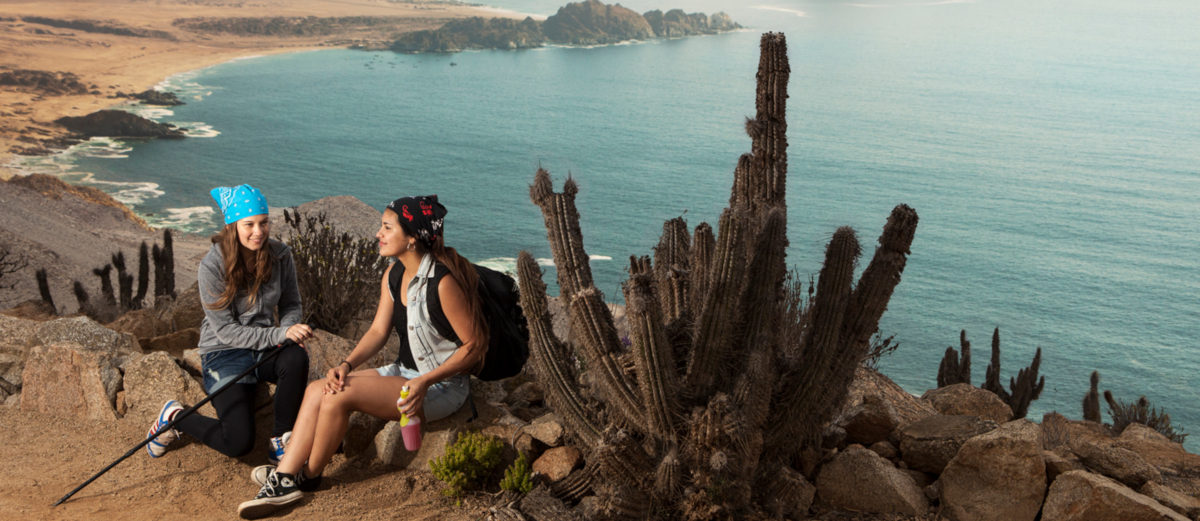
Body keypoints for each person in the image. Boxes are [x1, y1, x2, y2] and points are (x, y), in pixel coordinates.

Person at [236, 195, 488, 519]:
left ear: (412, 237)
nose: (378, 234)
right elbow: (377, 332)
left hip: (442, 386)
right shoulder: (393, 275)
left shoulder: (442, 283)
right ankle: (287, 473)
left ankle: (303, 479)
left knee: (340, 398)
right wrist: (345, 364)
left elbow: (475, 345)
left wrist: (426, 381)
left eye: (386, 227)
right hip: (406, 372)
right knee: (318, 389)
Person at [146, 184, 313, 465]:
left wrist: (289, 330)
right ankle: (175, 417)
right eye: (249, 224)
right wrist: (281, 332)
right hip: (224, 353)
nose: (258, 231)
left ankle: (280, 440)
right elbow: (225, 330)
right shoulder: (211, 266)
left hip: (263, 347)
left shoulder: (281, 255)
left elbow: (291, 304)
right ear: (232, 225)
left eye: (263, 223)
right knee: (238, 443)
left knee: (295, 356)